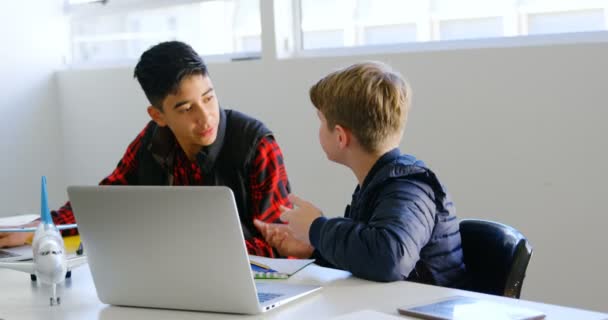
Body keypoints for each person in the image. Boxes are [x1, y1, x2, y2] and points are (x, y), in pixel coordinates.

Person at [0, 41, 291, 257]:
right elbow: (104, 203)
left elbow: (281, 245)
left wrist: (183, 248)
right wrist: (38, 230)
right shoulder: (153, 141)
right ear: (158, 116)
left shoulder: (256, 145)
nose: (205, 117)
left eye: (209, 98)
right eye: (187, 108)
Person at [255, 62, 468, 287]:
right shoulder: (378, 183)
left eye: (321, 121)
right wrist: (314, 247)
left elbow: (389, 259)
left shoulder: (410, 187)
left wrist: (317, 228)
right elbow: (368, 259)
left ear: (340, 136)